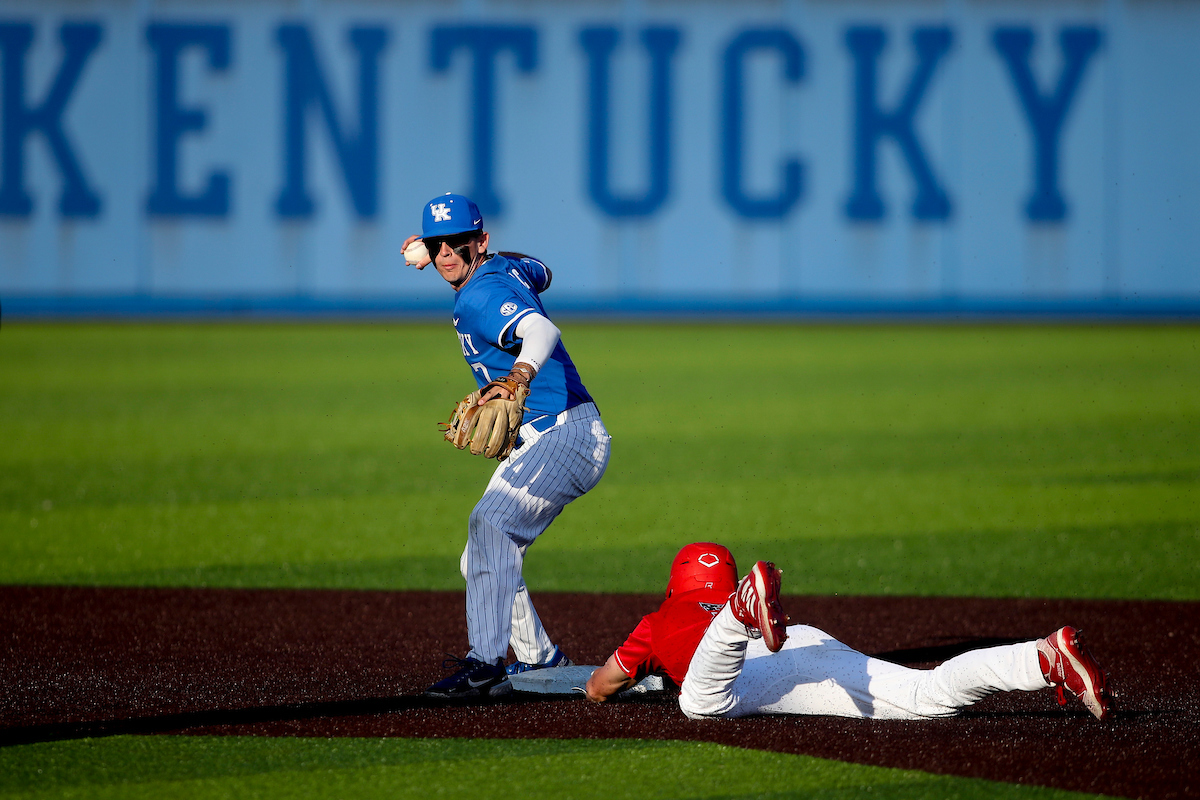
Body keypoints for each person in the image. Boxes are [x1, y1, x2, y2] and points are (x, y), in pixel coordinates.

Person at [403, 193, 611, 700]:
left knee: (491, 524)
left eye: (458, 243)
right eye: (438, 245)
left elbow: (541, 327)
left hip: (565, 433)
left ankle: (484, 666)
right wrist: (440, 249)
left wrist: (520, 371)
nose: (447, 253)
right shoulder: (505, 270)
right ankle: (540, 661)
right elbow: (541, 270)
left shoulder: (481, 292)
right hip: (559, 431)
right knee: (479, 559)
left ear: (482, 241)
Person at [585, 542, 1111, 721]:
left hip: (745, 667)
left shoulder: (656, 623)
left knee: (698, 704)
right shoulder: (686, 611)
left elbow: (599, 687)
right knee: (925, 695)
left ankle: (738, 616)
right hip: (803, 642)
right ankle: (1041, 658)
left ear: (677, 582)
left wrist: (637, 676)